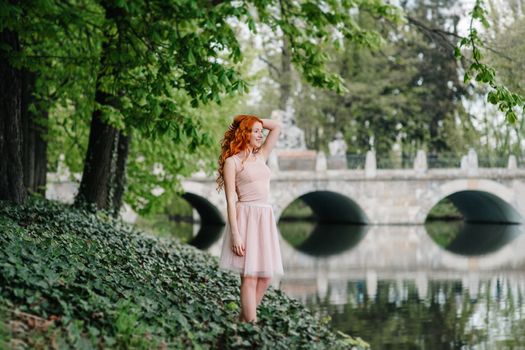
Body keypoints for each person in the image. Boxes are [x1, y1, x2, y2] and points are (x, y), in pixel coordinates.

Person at [216, 114, 284, 323]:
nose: (259, 135)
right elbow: (230, 199)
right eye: (254, 131)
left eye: (260, 131)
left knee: (265, 277)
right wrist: (235, 234)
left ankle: (243, 321)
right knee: (250, 275)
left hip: (264, 218)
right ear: (244, 133)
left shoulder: (261, 155)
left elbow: (277, 126)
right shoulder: (232, 162)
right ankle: (251, 325)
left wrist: (252, 120)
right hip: (245, 218)